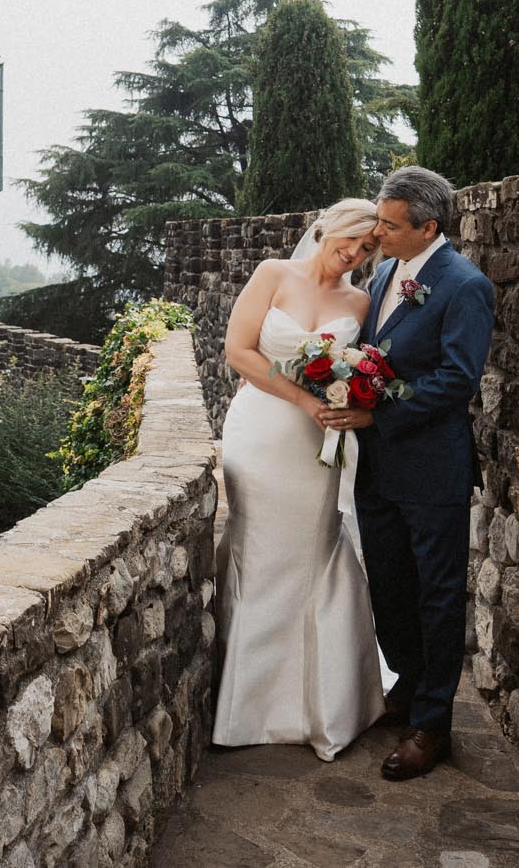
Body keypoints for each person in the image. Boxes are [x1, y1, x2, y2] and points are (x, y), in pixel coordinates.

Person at [319, 166, 495, 781]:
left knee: (437, 594)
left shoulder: (465, 285)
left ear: (429, 228)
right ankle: (407, 687)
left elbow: (456, 381)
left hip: (431, 470)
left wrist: (375, 412)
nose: (378, 233)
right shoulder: (390, 270)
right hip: (379, 470)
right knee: (389, 585)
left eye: (390, 226)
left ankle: (433, 725)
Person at [211, 197, 390, 760]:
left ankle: (322, 705)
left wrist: (352, 395)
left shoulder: (361, 300)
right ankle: (246, 706)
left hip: (319, 443)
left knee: (315, 551)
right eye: (351, 240)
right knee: (256, 550)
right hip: (262, 432)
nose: (354, 254)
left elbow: (367, 366)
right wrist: (301, 399)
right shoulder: (273, 274)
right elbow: (238, 351)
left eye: (368, 248)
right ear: (326, 226)